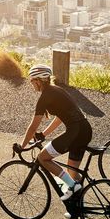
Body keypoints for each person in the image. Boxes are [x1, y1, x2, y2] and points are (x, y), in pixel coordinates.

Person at [20, 64, 92, 206]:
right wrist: (44, 134)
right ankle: (78, 206)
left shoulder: (45, 97)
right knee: (72, 171)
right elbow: (60, 117)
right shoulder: (57, 90)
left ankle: (73, 187)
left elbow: (33, 126)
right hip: (85, 130)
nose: (31, 84)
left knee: (42, 158)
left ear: (39, 81)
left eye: (32, 80)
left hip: (75, 133)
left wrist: (22, 147)